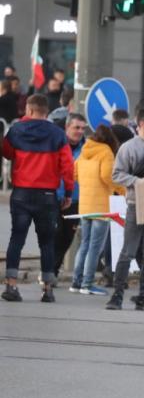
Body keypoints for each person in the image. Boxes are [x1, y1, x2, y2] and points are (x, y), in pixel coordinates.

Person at [2, 94, 74, 303]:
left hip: (21, 193)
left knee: (17, 239)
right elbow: (68, 167)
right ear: (45, 111)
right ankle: (48, 289)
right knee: (47, 243)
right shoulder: (58, 134)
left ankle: (11, 285)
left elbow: (6, 153)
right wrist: (68, 193)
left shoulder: (16, 131)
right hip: (47, 195)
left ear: (30, 110)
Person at [106, 106, 144, 311]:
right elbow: (116, 175)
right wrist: (138, 181)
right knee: (128, 252)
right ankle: (117, 295)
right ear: (142, 124)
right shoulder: (128, 148)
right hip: (134, 204)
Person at [69, 126, 121, 295]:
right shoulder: (106, 152)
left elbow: (74, 173)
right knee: (95, 247)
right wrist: (123, 191)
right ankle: (87, 283)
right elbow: (107, 176)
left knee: (84, 245)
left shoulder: (84, 150)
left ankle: (76, 282)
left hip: (85, 205)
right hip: (100, 207)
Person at [53, 113, 87, 280]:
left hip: (75, 198)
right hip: (53, 196)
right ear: (67, 127)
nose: (80, 131)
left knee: (67, 237)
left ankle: (52, 270)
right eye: (76, 127)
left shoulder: (87, 147)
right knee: (54, 234)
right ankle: (49, 271)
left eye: (82, 128)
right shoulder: (55, 144)